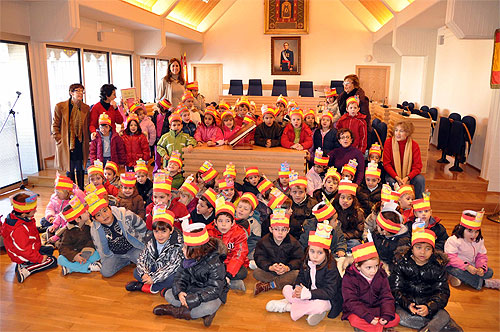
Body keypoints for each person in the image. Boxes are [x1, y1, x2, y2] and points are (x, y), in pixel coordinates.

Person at [266, 221, 343, 324]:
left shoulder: (331, 267)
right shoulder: (306, 260)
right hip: (307, 291)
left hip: (324, 297)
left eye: (320, 253)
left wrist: (309, 294)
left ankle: (288, 307)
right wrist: (298, 286)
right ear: (308, 250)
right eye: (312, 251)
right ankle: (308, 309)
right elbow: (301, 276)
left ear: (327, 253)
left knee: (322, 305)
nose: (315, 256)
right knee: (287, 289)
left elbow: (329, 292)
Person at [154, 223, 229, 328]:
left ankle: (175, 311)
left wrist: (196, 298)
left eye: (185, 247)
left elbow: (214, 290)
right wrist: (180, 292)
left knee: (209, 306)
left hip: (209, 295)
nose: (182, 250)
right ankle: (200, 314)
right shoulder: (187, 259)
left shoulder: (215, 263)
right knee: (169, 294)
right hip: (191, 290)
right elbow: (179, 277)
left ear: (196, 250)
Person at [391, 230, 463, 331]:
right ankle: (439, 325)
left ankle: (430, 327)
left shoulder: (438, 267)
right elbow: (395, 289)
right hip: (407, 306)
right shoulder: (401, 264)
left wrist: (429, 307)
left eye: (427, 249)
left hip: (428, 304)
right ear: (412, 248)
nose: (422, 252)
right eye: (418, 247)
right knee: (400, 317)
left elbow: (442, 292)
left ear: (433, 251)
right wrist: (407, 304)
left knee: (443, 314)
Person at [85, 192, 151, 277]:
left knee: (148, 263)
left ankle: (131, 259)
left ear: (110, 209)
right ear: (95, 219)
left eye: (105, 210)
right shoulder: (95, 229)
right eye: (99, 215)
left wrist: (146, 244)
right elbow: (99, 246)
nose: (104, 215)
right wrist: (105, 258)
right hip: (115, 254)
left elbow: (141, 225)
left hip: (133, 248)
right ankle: (126, 261)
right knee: (105, 273)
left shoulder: (125, 214)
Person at [342, 242, 400, 332]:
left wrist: (386, 315)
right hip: (359, 311)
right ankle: (382, 329)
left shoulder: (381, 275)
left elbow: (386, 296)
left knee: (395, 319)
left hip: (376, 309)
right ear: (358, 266)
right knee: (354, 320)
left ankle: (373, 328)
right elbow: (351, 301)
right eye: (368, 267)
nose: (373, 271)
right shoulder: (349, 278)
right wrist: (367, 316)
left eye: (376, 266)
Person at [1, 192, 58, 283]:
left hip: (29, 247)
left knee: (50, 250)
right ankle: (27, 269)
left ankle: (26, 263)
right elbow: (24, 250)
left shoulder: (23, 218)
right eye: (33, 210)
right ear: (23, 214)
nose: (35, 211)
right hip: (22, 255)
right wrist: (39, 258)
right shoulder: (19, 229)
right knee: (52, 261)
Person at [126, 207, 183, 294]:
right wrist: (144, 273)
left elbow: (172, 266)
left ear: (171, 230)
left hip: (169, 271)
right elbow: (143, 257)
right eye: (156, 231)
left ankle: (149, 287)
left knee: (174, 278)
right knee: (136, 272)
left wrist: (154, 278)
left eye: (164, 231)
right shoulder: (150, 239)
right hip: (156, 269)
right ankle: (160, 287)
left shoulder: (177, 243)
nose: (160, 235)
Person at [445, 210, 500, 290]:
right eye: (469, 231)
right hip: (455, 266)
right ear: (462, 229)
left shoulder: (479, 240)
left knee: (489, 272)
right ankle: (485, 283)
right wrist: (466, 267)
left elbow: (481, 256)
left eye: (476, 232)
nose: (473, 235)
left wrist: (480, 268)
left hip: (472, 266)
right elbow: (450, 258)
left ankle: (462, 278)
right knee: (457, 271)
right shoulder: (453, 240)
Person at [253, 209, 304, 295]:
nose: (280, 233)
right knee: (256, 272)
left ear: (288, 230)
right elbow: (259, 257)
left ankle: (270, 285)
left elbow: (299, 259)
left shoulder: (294, 242)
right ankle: (280, 282)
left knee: (297, 274)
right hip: (271, 270)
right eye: (276, 229)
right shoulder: (263, 241)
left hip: (287, 271)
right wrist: (270, 267)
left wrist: (287, 267)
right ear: (270, 229)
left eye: (283, 230)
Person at [52, 83, 90, 190]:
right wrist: (59, 139)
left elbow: (87, 126)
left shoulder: (85, 108)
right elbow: (55, 125)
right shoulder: (60, 106)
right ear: (71, 92)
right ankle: (71, 190)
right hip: (67, 142)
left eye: (82, 91)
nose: (80, 93)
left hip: (80, 142)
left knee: (80, 167)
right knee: (70, 167)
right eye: (77, 90)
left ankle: (81, 189)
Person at [207, 198, 248, 291]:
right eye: (220, 221)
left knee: (242, 272)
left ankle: (222, 280)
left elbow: (239, 255)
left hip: (230, 263)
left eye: (227, 221)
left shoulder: (239, 233)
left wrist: (229, 273)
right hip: (214, 264)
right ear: (215, 222)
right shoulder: (208, 232)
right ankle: (229, 283)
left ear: (233, 222)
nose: (224, 224)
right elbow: (205, 253)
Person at [58, 197, 102, 275]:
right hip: (75, 254)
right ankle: (88, 267)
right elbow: (63, 248)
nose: (87, 212)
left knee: (98, 254)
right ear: (78, 219)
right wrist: (74, 256)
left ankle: (70, 268)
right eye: (84, 212)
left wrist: (88, 250)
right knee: (60, 259)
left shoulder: (89, 226)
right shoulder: (68, 232)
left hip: (87, 252)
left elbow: (92, 240)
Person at [383, 121, 426, 199]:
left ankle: (418, 205)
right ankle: (395, 205)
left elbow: (418, 166)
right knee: (391, 181)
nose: (397, 133)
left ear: (407, 133)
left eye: (401, 131)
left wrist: (407, 178)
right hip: (393, 174)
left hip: (408, 175)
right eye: (396, 130)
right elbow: (386, 164)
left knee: (420, 179)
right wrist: (397, 177)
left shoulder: (414, 145)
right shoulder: (388, 143)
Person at [43, 175, 85, 245]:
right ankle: (52, 240)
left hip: (70, 226)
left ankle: (55, 242)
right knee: (48, 227)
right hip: (61, 224)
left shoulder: (73, 201)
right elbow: (60, 215)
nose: (56, 195)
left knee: (66, 234)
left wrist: (57, 234)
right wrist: (54, 225)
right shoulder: (61, 200)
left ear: (66, 192)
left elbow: (70, 223)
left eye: (58, 193)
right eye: (55, 192)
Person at [333, 180, 364, 251]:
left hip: (348, 239)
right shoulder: (332, 210)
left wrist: (344, 235)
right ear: (338, 198)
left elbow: (358, 231)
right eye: (342, 197)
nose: (345, 201)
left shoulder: (358, 212)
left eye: (349, 198)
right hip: (335, 238)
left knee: (356, 244)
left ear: (353, 200)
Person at [288, 172, 317, 241]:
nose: (297, 195)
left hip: (308, 234)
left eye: (301, 192)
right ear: (290, 192)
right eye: (294, 192)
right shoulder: (286, 203)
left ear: (305, 192)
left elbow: (315, 221)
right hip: (291, 233)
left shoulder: (313, 203)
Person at [152, 99, 172, 172]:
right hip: (157, 139)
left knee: (165, 156)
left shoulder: (169, 116)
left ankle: (166, 171)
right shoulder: (156, 115)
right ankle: (156, 171)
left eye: (159, 108)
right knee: (157, 157)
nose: (158, 109)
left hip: (165, 139)